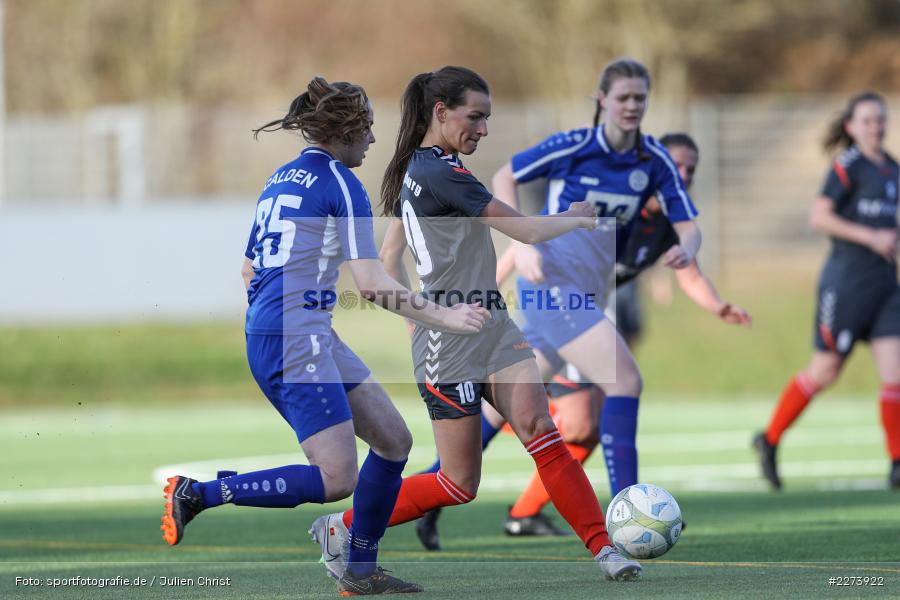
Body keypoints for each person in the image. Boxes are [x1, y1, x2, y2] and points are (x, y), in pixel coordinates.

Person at [160, 76, 491, 596]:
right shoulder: (340, 182)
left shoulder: (280, 178)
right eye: (369, 131)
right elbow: (372, 283)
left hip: (296, 331)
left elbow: (248, 270)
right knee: (337, 478)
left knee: (393, 440)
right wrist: (447, 318)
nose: (375, 142)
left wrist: (285, 319)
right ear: (348, 129)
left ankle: (360, 571)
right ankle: (198, 493)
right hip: (297, 336)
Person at [312, 65, 643, 583]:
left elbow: (391, 254)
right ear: (440, 112)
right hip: (450, 341)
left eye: (487, 118)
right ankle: (344, 526)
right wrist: (580, 216)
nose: (483, 129)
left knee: (541, 428)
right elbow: (528, 231)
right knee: (458, 483)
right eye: (476, 116)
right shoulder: (441, 172)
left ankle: (606, 550)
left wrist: (414, 316)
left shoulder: (423, 172)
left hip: (491, 324)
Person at [414, 132, 751, 547]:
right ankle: (630, 512)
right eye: (676, 166)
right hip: (558, 302)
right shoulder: (610, 206)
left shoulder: (663, 227)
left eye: (690, 170)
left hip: (569, 313)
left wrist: (719, 306)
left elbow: (691, 274)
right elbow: (531, 237)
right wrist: (503, 273)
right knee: (610, 394)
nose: (682, 175)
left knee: (542, 419)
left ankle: (434, 500)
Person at [753, 91, 900, 491]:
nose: (876, 126)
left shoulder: (892, 170)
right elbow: (820, 216)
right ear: (851, 127)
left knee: (895, 375)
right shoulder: (847, 166)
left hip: (886, 286)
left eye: (880, 119)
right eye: (867, 120)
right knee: (826, 371)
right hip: (847, 283)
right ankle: (769, 439)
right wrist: (870, 237)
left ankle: (897, 463)